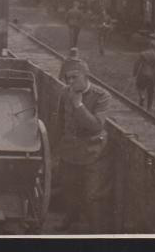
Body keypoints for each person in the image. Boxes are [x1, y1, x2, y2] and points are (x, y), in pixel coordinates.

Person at [55, 59, 112, 233]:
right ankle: (70, 218)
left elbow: (96, 126)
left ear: (86, 76)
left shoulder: (101, 96)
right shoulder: (65, 93)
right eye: (68, 78)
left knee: (92, 195)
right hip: (70, 150)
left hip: (92, 152)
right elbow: (60, 121)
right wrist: (56, 147)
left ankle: (96, 231)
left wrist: (78, 105)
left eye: (75, 77)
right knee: (68, 188)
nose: (71, 81)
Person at [133, 40, 155, 111]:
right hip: (152, 76)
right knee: (151, 92)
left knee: (139, 86)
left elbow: (137, 64)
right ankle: (149, 108)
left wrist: (134, 73)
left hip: (142, 73)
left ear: (149, 45)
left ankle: (142, 96)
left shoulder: (143, 54)